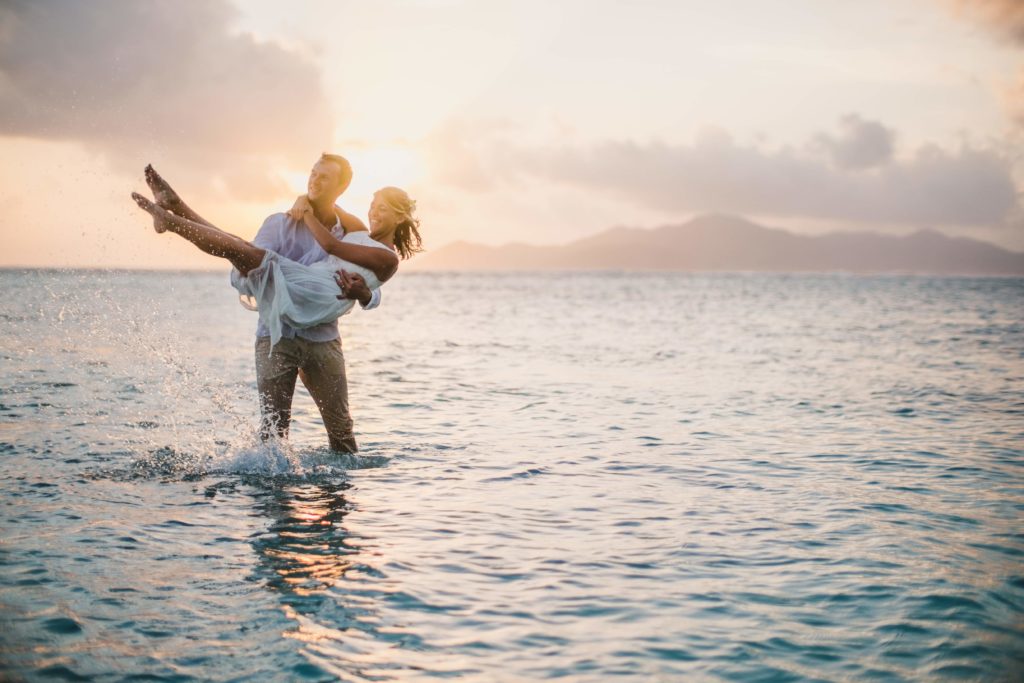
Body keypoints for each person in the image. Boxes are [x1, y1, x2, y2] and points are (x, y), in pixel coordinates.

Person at [132, 156, 422, 453]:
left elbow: (345, 257)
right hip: (279, 333)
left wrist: (366, 295)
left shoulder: (354, 239)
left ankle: (172, 218)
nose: (374, 212)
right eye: (313, 174)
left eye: (382, 208)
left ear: (342, 186)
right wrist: (303, 202)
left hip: (315, 310)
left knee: (342, 434)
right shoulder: (313, 226)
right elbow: (356, 260)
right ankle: (175, 208)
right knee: (240, 248)